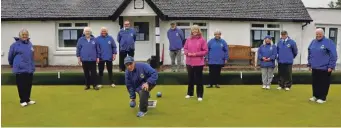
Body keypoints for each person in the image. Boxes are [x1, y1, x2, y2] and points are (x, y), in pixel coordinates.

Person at [308, 28, 338, 104]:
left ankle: (322, 97)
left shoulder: (328, 42)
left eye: (319, 34)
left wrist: (331, 66)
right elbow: (310, 53)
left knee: (323, 83)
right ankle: (315, 96)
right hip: (315, 67)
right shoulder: (313, 42)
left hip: (325, 67)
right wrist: (309, 64)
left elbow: (333, 55)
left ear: (323, 34)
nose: (318, 35)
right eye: (317, 34)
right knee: (315, 82)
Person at [8, 29, 36, 107]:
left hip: (29, 68)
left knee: (28, 84)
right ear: (20, 36)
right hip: (20, 68)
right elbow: (10, 56)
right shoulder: (15, 45)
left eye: (26, 34)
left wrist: (32, 65)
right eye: (23, 35)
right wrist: (11, 64)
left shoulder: (30, 44)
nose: (25, 36)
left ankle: (27, 99)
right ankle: (22, 100)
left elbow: (31, 56)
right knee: (21, 85)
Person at [184, 25, 208, 101]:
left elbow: (205, 51)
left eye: (196, 30)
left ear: (198, 31)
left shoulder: (202, 40)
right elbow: (185, 48)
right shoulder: (188, 39)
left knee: (199, 79)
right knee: (190, 79)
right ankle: (190, 93)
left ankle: (200, 95)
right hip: (189, 62)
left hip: (199, 63)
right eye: (193, 30)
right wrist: (187, 53)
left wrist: (195, 54)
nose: (194, 31)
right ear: (191, 31)